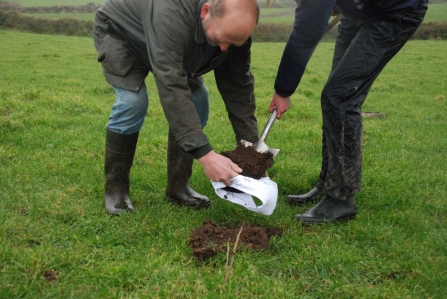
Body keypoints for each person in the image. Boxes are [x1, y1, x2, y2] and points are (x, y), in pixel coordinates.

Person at [93, 0, 261, 214]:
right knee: (132, 102)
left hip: (171, 40)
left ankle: (178, 187)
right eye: (220, 39)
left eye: (233, 43)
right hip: (124, 34)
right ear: (206, 11)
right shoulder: (171, 11)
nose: (224, 48)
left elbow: (237, 85)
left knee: (198, 96)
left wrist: (251, 149)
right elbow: (171, 82)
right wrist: (206, 155)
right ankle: (115, 191)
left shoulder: (233, 29)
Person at [269, 0, 427, 224]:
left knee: (340, 96)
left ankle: (341, 198)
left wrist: (283, 90)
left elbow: (306, 32)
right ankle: (328, 184)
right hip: (361, 12)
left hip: (395, 12)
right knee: (336, 94)